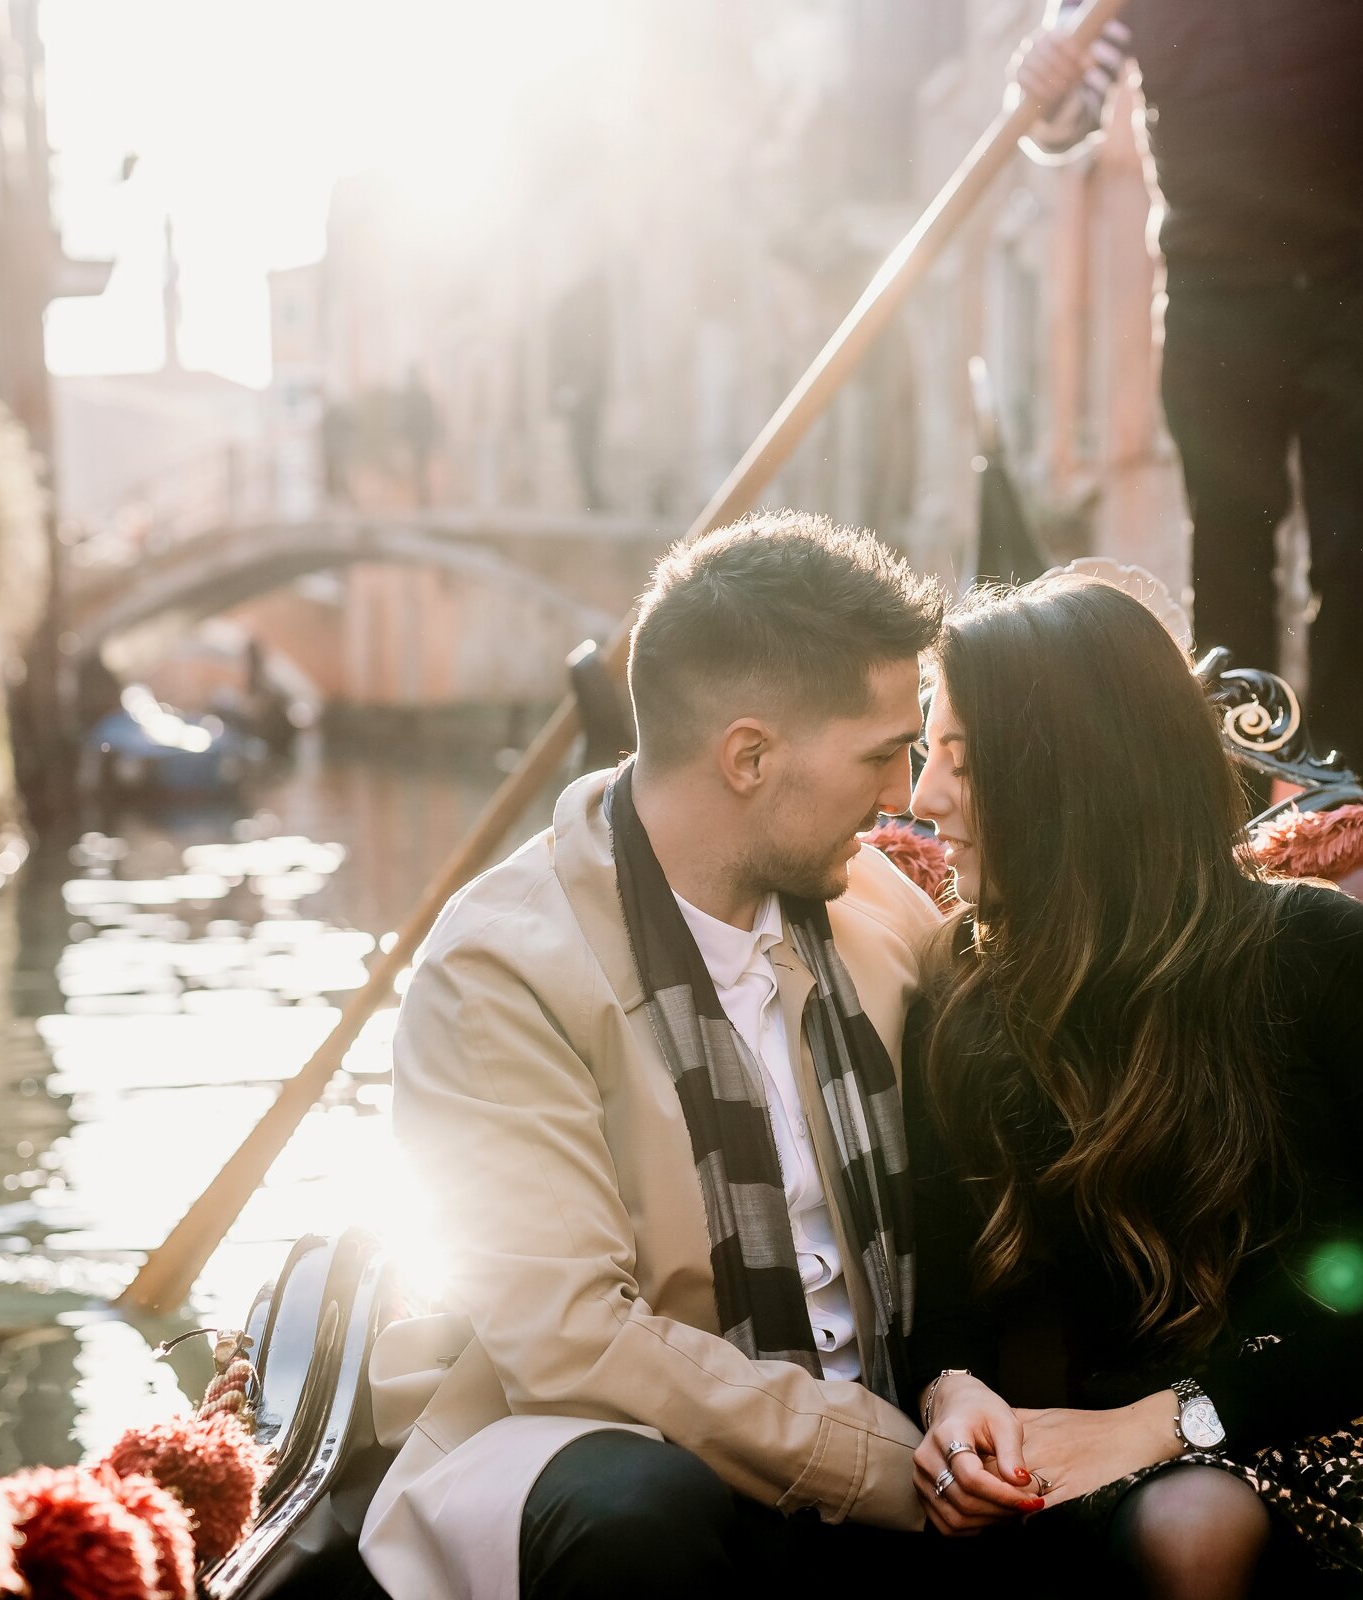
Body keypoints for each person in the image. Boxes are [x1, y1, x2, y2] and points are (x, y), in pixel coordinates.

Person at [902, 576, 1363, 1598]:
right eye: (926, 754)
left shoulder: (1328, 953)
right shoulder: (963, 995)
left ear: (1071, 769)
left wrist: (1169, 1418)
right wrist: (952, 1403)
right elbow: (943, 1290)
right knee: (1192, 1526)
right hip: (1151, 1477)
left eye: (960, 757)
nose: (922, 800)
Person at [358, 514, 992, 1600]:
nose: (904, 799)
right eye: (883, 753)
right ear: (748, 756)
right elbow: (573, 1344)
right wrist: (890, 1465)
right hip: (595, 1449)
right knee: (643, 1512)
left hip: (906, 1436)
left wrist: (969, 1411)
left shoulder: (877, 908)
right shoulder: (497, 968)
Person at [1012, 0, 1363, 787]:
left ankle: (1350, 789)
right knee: (1231, 544)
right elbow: (1063, 112)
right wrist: (1043, 75)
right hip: (1218, 282)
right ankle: (1239, 794)